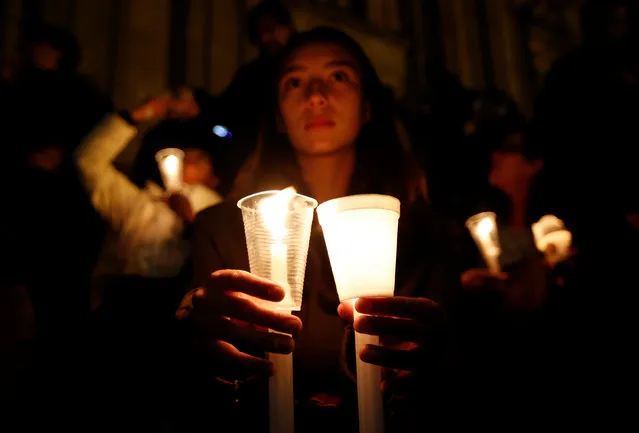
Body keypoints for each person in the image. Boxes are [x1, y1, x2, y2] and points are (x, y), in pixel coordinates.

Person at [176, 27, 459, 433]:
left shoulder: (426, 234)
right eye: (294, 82)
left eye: (339, 76)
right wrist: (197, 325)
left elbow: (453, 367)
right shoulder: (223, 229)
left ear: (368, 108)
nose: (315, 95)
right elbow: (196, 367)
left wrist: (435, 365)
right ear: (277, 114)